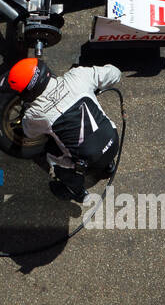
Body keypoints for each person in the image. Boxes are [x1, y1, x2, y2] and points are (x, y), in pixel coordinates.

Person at [7, 59, 122, 201]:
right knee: (97, 138)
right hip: (113, 140)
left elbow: (29, 133)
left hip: (89, 162)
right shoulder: (78, 75)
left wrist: (26, 110)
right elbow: (115, 73)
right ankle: (108, 166)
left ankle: (76, 191)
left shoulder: (34, 114)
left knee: (49, 153)